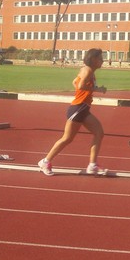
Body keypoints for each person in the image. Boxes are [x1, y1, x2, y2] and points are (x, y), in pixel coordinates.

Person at [38, 48, 108, 176]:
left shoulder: (86, 70)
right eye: (100, 58)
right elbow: (80, 86)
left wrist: (93, 89)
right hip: (78, 108)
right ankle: (45, 161)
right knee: (67, 139)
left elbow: (74, 82)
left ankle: (92, 165)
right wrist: (96, 89)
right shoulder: (87, 70)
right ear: (93, 59)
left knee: (99, 132)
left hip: (83, 109)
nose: (103, 61)